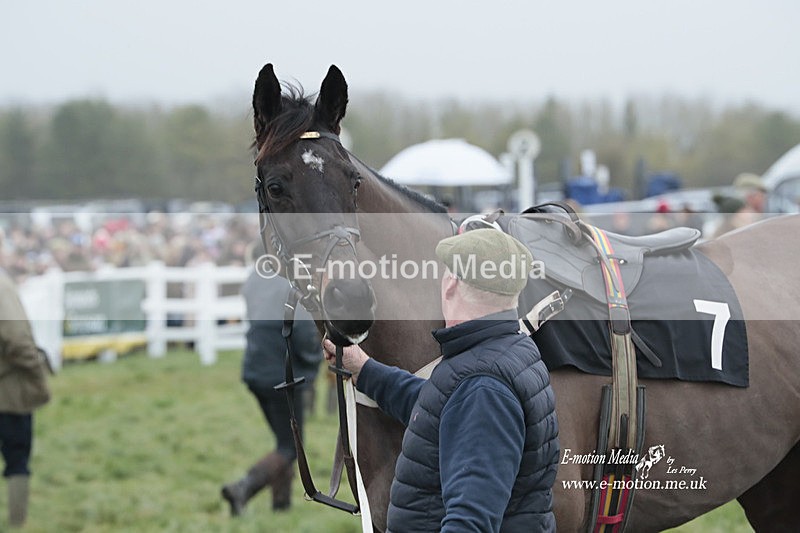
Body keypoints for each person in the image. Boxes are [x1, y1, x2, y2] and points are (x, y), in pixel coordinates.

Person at [323, 229, 560, 532]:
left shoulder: (484, 388)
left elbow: (469, 524)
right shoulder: (502, 351)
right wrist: (364, 369)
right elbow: (442, 409)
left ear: (451, 284)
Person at [221, 248, 322, 516]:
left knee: (283, 440)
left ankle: (281, 506)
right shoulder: (291, 282)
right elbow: (302, 332)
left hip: (255, 369)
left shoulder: (254, 279)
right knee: (290, 448)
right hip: (282, 375)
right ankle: (242, 488)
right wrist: (315, 360)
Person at [0, 270, 51, 528]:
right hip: (7, 390)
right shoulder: (2, 287)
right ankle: (16, 523)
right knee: (17, 458)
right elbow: (17, 338)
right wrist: (36, 370)